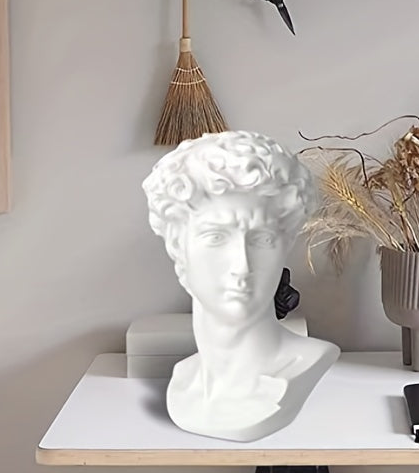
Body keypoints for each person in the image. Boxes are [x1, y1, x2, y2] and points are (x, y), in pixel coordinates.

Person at [142, 130, 340, 442]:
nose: (242, 265)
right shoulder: (184, 379)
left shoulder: (306, 365)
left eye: (262, 239)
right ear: (178, 247)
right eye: (216, 237)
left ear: (285, 245)